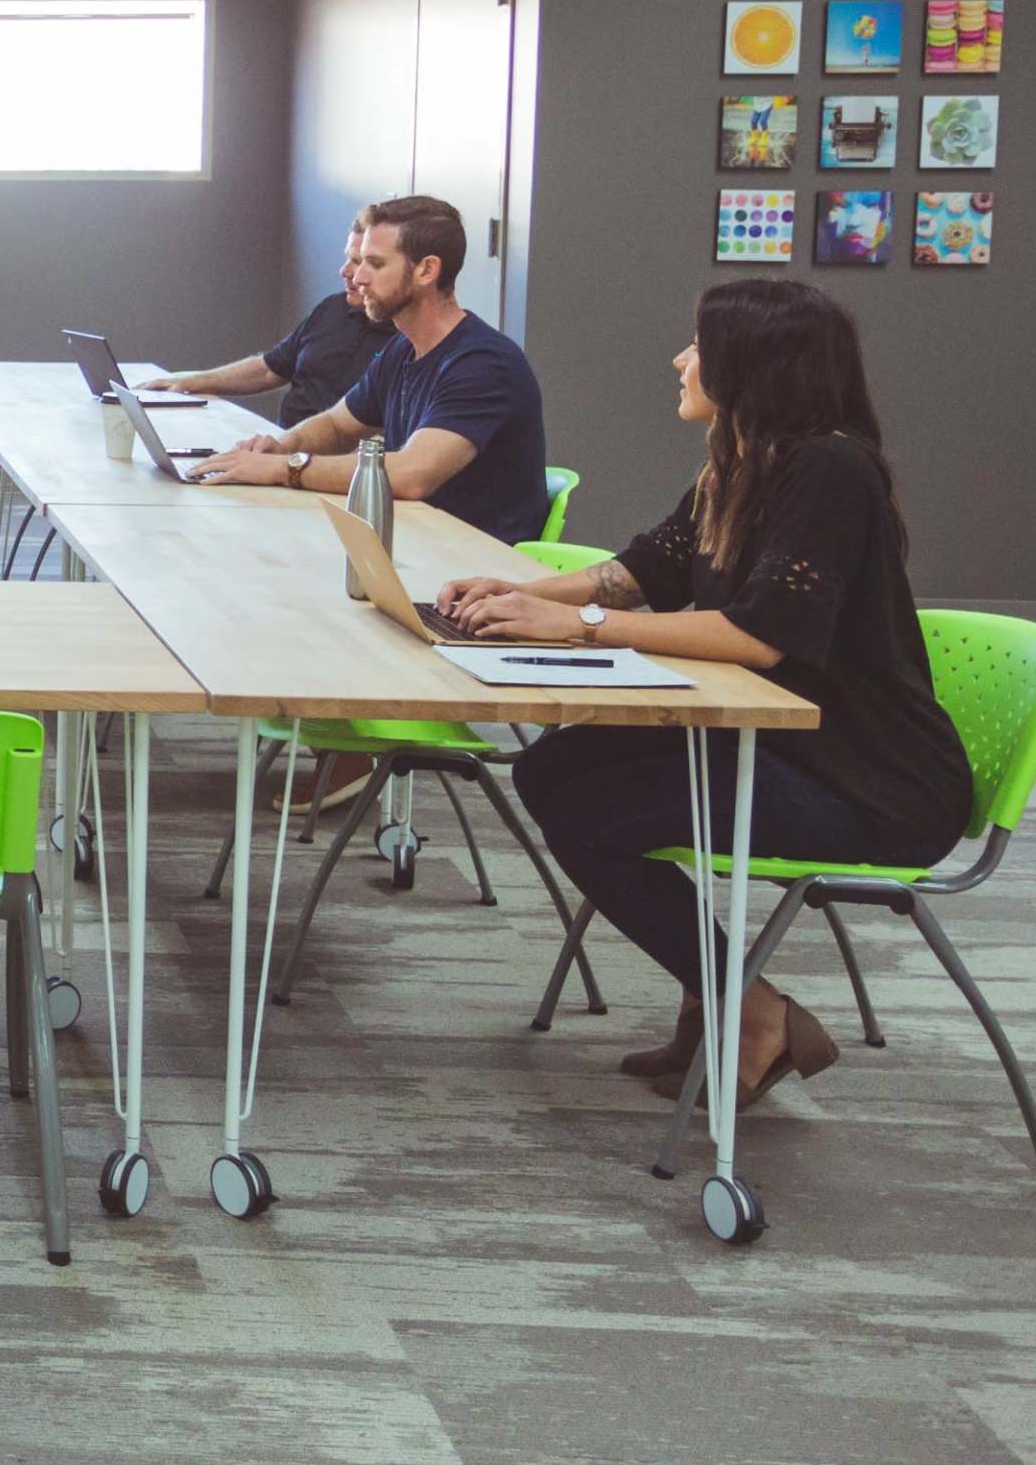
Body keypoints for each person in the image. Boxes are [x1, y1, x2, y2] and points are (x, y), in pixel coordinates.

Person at [440, 278, 974, 1106]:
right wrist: (515, 595)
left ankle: (750, 1011)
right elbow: (640, 571)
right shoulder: (740, 462)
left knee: (593, 814)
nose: (681, 360)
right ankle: (717, 999)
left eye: (700, 345)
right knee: (552, 773)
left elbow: (760, 633)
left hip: (867, 779)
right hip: (776, 739)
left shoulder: (831, 471)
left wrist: (577, 626)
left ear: (755, 367)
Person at [176, 195, 554, 548]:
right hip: (416, 545)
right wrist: (282, 445)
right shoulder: (403, 348)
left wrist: (285, 468)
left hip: (473, 572)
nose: (357, 278)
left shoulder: (484, 364)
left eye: (375, 264)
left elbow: (410, 475)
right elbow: (338, 425)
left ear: (427, 270)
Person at [139, 224, 394, 426]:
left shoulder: (406, 341)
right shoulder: (332, 309)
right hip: (288, 447)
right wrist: (189, 382)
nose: (347, 272)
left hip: (338, 466)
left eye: (361, 262)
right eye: (349, 259)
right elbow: (269, 369)